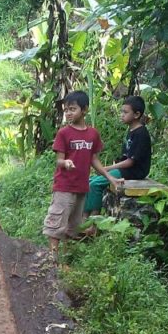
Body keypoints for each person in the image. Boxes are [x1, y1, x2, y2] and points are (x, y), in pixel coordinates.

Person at [42, 90, 117, 260]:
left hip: (81, 187)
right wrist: (66, 162)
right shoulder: (63, 133)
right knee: (57, 221)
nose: (68, 113)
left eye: (72, 109)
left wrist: (109, 176)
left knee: (74, 225)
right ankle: (52, 258)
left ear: (84, 110)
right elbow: (59, 160)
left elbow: (94, 160)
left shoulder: (92, 134)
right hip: (64, 186)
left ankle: (66, 258)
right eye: (66, 109)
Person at [84, 95, 152, 216]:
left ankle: (93, 221)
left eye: (125, 112)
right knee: (90, 180)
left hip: (133, 172)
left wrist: (107, 168)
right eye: (121, 111)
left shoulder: (141, 134)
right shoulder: (131, 131)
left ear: (136, 115)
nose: (121, 114)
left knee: (95, 184)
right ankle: (84, 216)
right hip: (125, 169)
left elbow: (130, 162)